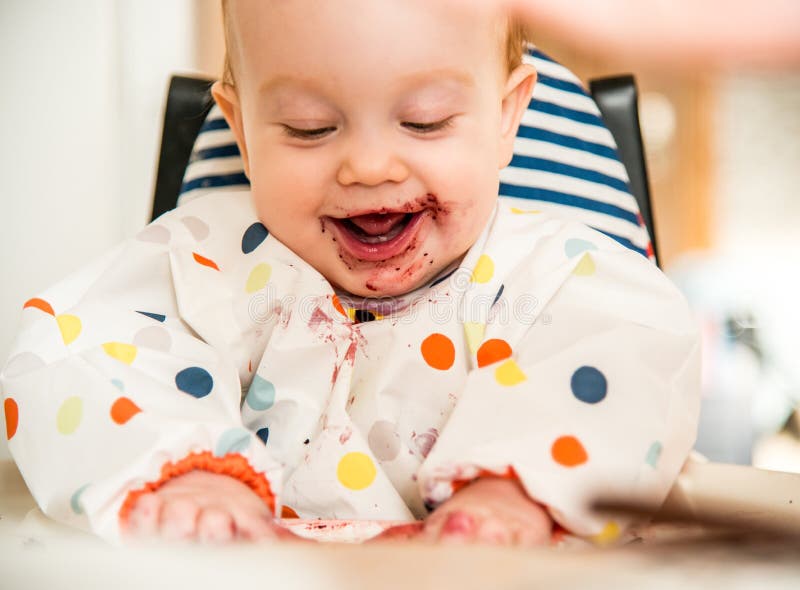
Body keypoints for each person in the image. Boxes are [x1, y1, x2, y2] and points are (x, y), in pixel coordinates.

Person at [0, 0, 700, 546]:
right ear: (241, 131)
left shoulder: (559, 275)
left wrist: (514, 493)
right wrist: (190, 477)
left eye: (424, 122)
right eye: (309, 127)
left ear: (507, 116)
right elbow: (83, 348)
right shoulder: (206, 255)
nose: (369, 167)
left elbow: (633, 351)